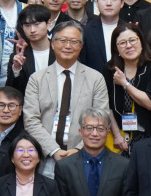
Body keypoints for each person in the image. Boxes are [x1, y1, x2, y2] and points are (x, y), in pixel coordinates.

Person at [23, 20, 111, 160]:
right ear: (53, 44)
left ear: (81, 46)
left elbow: (102, 119)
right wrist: (54, 150)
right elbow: (31, 120)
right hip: (45, 155)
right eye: (63, 40)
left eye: (74, 42)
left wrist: (78, 150)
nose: (68, 46)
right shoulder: (37, 79)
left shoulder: (95, 78)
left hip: (82, 155)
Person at [107, 22, 151, 147]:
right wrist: (117, 135)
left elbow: (150, 104)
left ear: (141, 42)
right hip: (119, 136)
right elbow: (107, 106)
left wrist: (125, 83)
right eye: (122, 43)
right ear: (116, 48)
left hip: (149, 135)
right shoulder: (109, 69)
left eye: (133, 40)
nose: (129, 46)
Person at [6, 4, 53, 96]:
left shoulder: (61, 51)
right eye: (27, 25)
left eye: (37, 24)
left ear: (48, 24)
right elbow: (11, 91)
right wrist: (16, 69)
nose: (32, 30)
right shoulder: (18, 56)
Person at [80, 0, 125, 71]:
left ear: (122, 3)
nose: (109, 3)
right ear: (97, 2)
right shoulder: (86, 31)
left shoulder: (128, 30)